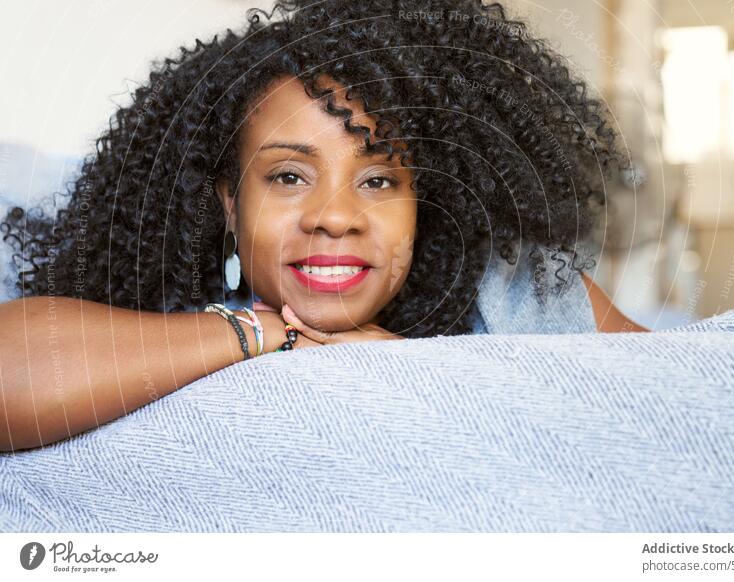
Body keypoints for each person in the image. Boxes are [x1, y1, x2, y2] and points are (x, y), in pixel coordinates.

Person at [0, 0, 645, 452]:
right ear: (230, 203)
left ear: (424, 203)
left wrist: (419, 367)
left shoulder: (515, 302)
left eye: (378, 180)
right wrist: (265, 334)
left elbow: (683, 393)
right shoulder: (170, 319)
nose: (335, 216)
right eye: (287, 177)